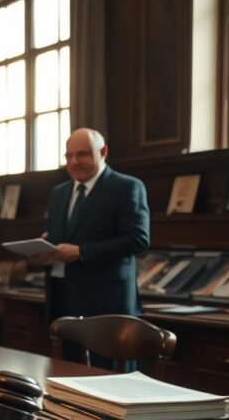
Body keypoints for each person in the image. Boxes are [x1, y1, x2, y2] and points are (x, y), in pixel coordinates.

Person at [31, 127, 150, 369]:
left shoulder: (126, 187)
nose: (74, 162)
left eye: (82, 154)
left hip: (106, 300)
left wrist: (81, 252)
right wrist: (44, 250)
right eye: (69, 156)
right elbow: (59, 238)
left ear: (103, 152)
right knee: (65, 374)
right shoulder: (59, 192)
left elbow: (138, 240)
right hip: (61, 296)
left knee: (107, 379)